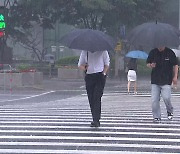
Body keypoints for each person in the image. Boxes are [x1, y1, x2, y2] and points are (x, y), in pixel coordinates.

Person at [78, 50, 110, 127]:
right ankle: (94, 118)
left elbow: (107, 64)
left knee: (97, 97)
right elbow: (80, 64)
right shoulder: (85, 51)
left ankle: (96, 120)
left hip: (100, 76)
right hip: (89, 76)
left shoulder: (103, 51)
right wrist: (85, 67)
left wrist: (104, 73)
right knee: (91, 98)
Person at [146, 46, 178, 122]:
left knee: (166, 98)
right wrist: (150, 65)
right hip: (155, 80)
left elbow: (175, 65)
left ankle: (170, 111)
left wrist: (175, 76)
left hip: (166, 80)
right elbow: (147, 63)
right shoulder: (153, 52)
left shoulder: (170, 52)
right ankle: (156, 116)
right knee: (154, 100)